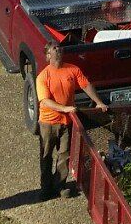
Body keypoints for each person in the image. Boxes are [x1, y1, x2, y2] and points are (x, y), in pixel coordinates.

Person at [35, 43, 107, 199]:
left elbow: (86, 85)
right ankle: (45, 188)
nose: (59, 49)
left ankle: (60, 186)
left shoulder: (73, 69)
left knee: (64, 155)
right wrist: (65, 108)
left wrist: (98, 102)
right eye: (54, 48)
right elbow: (45, 101)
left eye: (60, 48)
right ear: (48, 56)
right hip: (48, 123)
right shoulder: (43, 76)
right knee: (46, 155)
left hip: (66, 122)